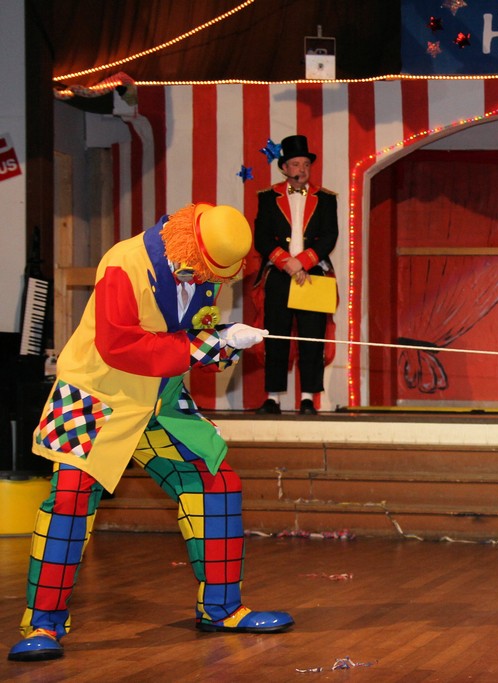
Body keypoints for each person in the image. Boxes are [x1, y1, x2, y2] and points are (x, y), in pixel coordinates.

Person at [7, 203, 293, 663]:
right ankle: (43, 623)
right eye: (209, 273)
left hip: (160, 399)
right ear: (188, 250)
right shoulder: (123, 264)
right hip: (96, 396)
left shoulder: (199, 271)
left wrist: (227, 339)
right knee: (70, 499)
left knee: (216, 483)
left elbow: (191, 338)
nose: (212, 284)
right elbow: (120, 345)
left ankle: (221, 609)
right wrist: (209, 343)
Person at [253, 134, 339, 415]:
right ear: (284, 168)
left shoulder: (326, 198)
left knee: (312, 337)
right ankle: (273, 397)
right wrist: (286, 263)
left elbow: (330, 236)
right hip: (280, 274)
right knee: (276, 335)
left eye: (306, 164)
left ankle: (307, 397)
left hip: (312, 274)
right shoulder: (268, 198)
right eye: (296, 164)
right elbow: (262, 238)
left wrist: (301, 263)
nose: (302, 169)